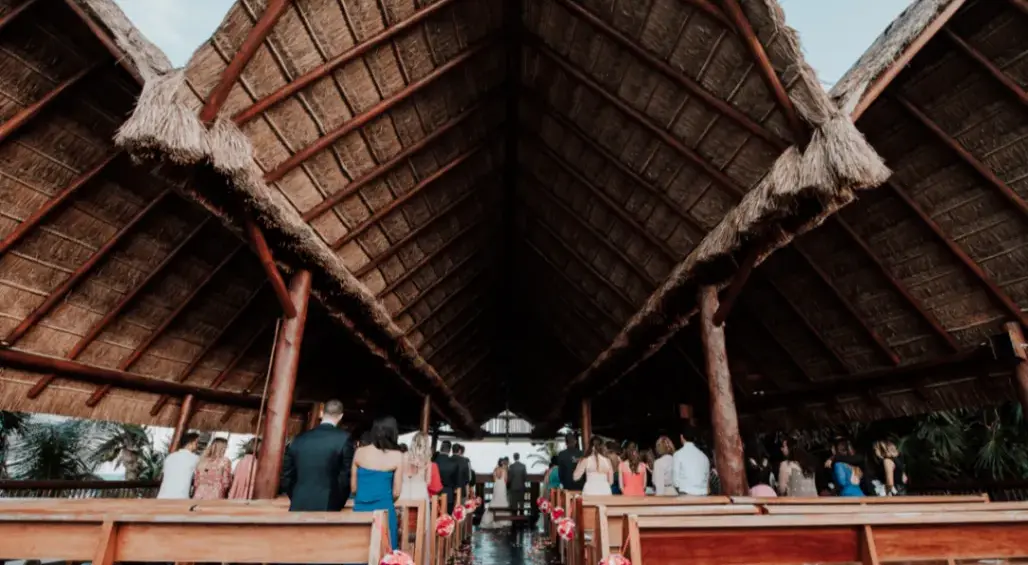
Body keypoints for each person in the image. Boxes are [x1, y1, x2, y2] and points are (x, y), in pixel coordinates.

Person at [280, 399, 354, 511]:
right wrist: (338, 501)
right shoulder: (344, 438)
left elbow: (287, 474)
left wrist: (295, 495)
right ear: (341, 416)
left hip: (298, 502)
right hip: (329, 503)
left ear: (322, 413)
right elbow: (345, 476)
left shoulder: (299, 439)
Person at [352, 415, 403, 549]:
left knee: (358, 549)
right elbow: (397, 492)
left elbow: (353, 488)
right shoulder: (397, 456)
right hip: (385, 510)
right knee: (384, 551)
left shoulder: (359, 452)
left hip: (361, 509)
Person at [157, 432, 200, 499]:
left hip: (162, 496)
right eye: (196, 442)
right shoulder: (195, 459)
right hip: (180, 497)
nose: (197, 445)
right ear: (190, 443)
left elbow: (163, 476)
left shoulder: (170, 457)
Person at [672, 426, 710, 496]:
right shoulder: (704, 457)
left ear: (681, 437)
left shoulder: (678, 455)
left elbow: (675, 482)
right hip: (703, 496)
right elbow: (707, 480)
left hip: (685, 494)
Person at [399, 432, 431, 501]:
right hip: (420, 492)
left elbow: (399, 476)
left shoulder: (403, 456)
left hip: (404, 491)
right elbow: (428, 481)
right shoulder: (426, 460)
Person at [479, 458, 510, 530]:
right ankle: (502, 520)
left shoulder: (495, 470)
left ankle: (489, 519)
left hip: (496, 486)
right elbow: (505, 480)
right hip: (502, 485)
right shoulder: (504, 470)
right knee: (502, 500)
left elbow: (494, 480)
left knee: (495, 499)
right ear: (502, 463)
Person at [435, 440, 459, 512]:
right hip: (449, 494)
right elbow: (456, 482)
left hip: (434, 494)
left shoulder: (434, 462)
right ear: (449, 450)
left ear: (440, 448)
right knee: (447, 518)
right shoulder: (454, 464)